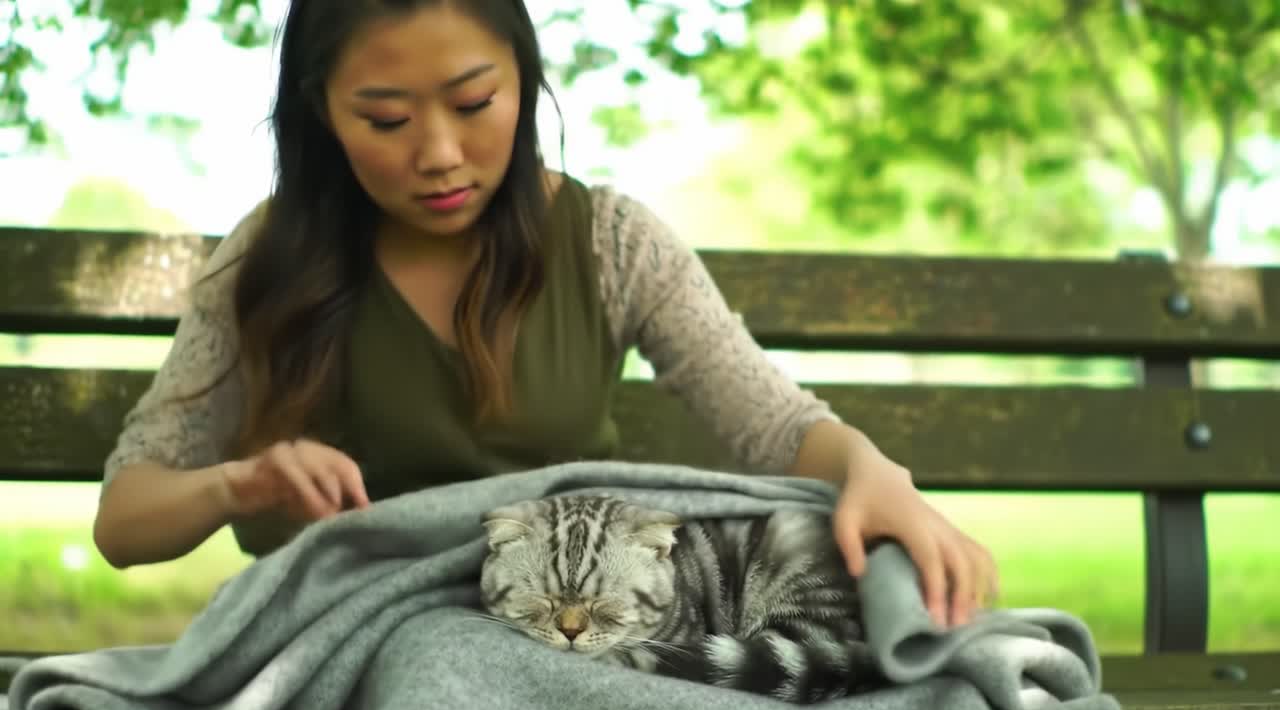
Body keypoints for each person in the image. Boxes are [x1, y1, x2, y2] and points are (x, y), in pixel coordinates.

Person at [91, 0, 998, 630]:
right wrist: (238, 483)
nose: (440, 154)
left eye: (474, 102)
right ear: (322, 114)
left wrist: (874, 471)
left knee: (879, 601)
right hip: (366, 627)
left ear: (524, 81)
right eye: (386, 119)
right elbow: (125, 521)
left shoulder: (609, 240)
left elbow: (772, 423)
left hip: (577, 622)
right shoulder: (271, 255)